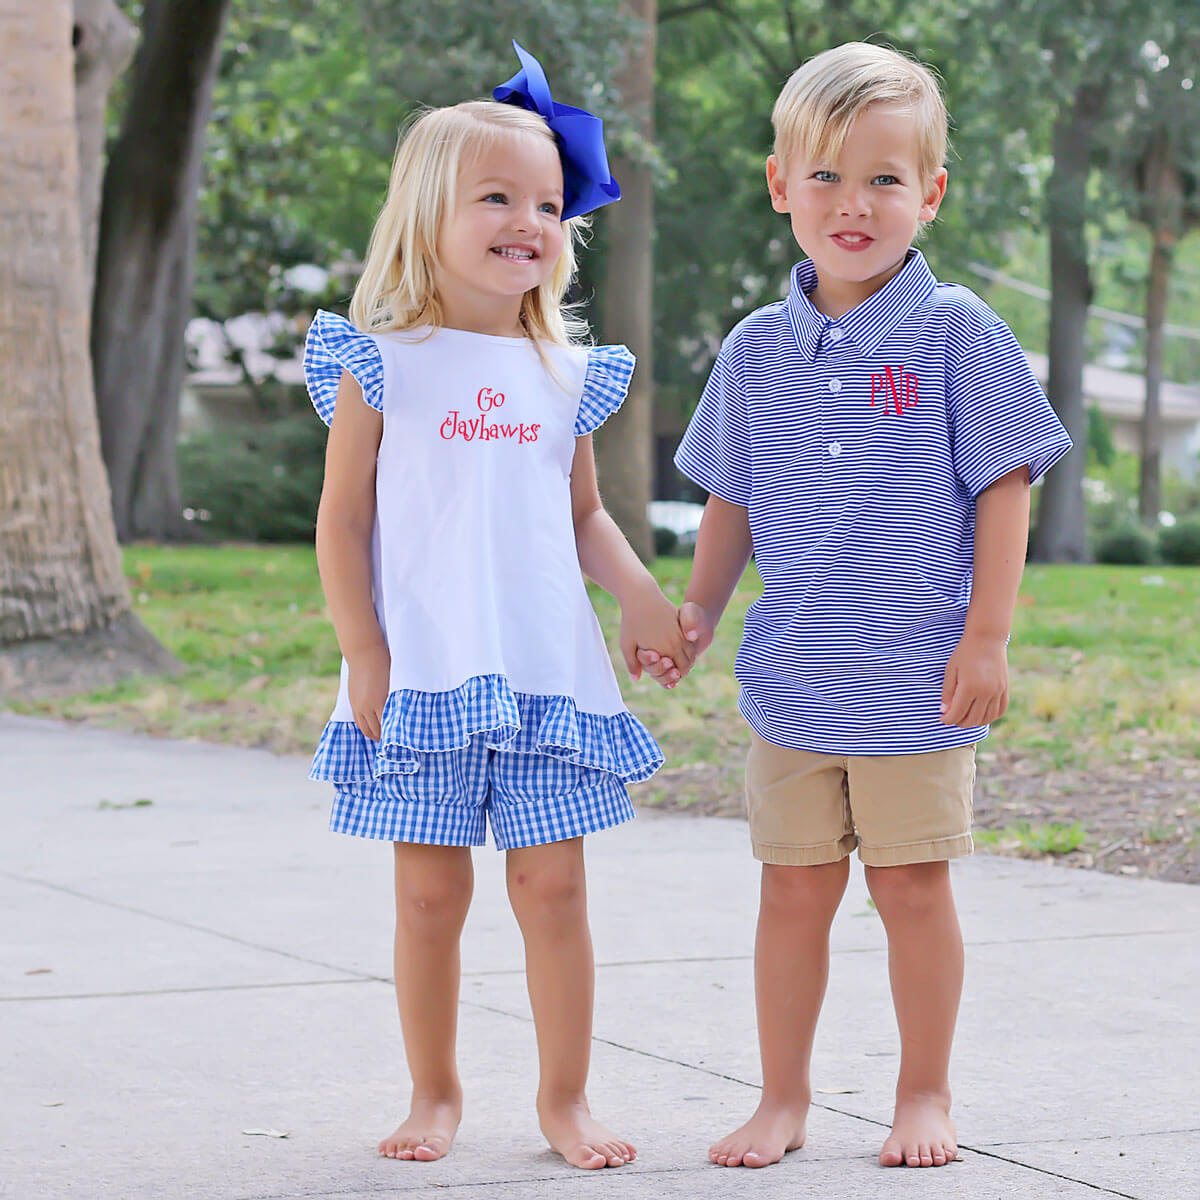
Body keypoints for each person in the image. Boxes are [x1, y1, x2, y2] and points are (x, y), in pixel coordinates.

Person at [639, 41, 1072, 1169]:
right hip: (792, 682)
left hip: (916, 681)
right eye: (825, 175)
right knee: (791, 895)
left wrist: (988, 636)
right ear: (780, 184)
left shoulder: (957, 330)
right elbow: (731, 496)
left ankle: (923, 1094)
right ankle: (782, 1098)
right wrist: (699, 610)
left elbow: (1006, 484)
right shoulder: (754, 349)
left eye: (885, 178)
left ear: (930, 194)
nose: (853, 203)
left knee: (912, 889)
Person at [304, 42, 691, 1170]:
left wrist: (641, 596)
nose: (529, 221)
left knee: (554, 887)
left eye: (549, 205)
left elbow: (583, 515)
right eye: (497, 198)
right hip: (421, 673)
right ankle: (434, 1093)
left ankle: (566, 1100)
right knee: (429, 897)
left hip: (543, 673)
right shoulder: (381, 364)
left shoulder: (565, 374)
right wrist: (364, 650)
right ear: (427, 213)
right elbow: (342, 522)